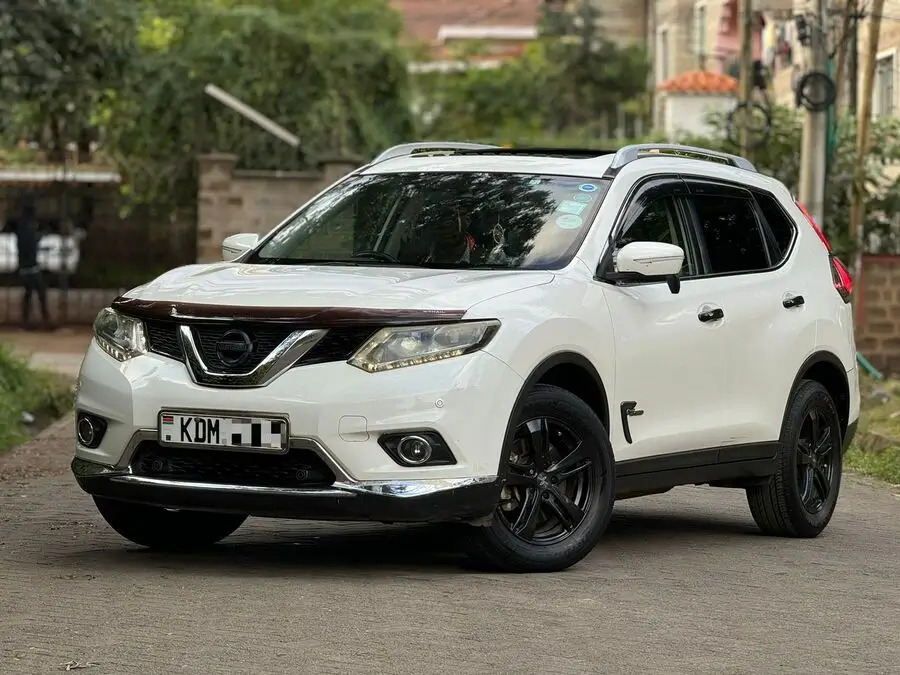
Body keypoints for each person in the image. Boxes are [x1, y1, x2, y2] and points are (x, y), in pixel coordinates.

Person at [15, 197, 50, 329]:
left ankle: (26, 320)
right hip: (30, 266)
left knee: (29, 293)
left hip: (26, 265)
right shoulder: (27, 227)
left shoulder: (22, 226)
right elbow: (28, 245)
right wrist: (37, 238)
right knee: (40, 291)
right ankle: (44, 318)